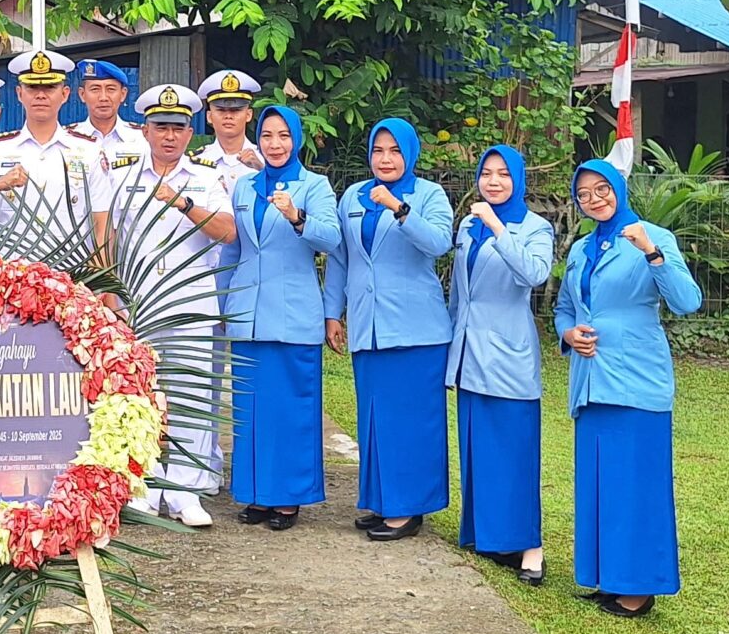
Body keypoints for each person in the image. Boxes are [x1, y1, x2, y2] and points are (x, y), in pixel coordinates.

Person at [555, 158, 701, 618]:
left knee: (636, 485)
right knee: (601, 484)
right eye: (584, 193)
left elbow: (686, 301)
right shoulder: (581, 248)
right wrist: (567, 334)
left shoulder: (653, 236)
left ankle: (638, 589)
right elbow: (564, 306)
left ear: (619, 188)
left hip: (636, 382)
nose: (594, 199)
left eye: (602, 189)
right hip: (591, 383)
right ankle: (609, 577)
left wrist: (652, 252)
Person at [105, 83, 238, 527]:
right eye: (161, 126)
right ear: (145, 130)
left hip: (190, 304)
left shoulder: (204, 178)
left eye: (178, 128)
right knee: (140, 397)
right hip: (138, 305)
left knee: (192, 394)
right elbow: (105, 238)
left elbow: (227, 231)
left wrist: (182, 203)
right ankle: (144, 485)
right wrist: (109, 292)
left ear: (190, 132)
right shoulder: (122, 174)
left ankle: (185, 491)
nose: (169, 136)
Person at [327, 118, 457, 543]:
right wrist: (333, 313)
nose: (385, 159)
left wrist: (400, 210)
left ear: (410, 154)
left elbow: (439, 243)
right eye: (378, 150)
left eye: (395, 151)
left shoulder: (428, 195)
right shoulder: (353, 196)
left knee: (413, 421)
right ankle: (383, 500)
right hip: (369, 327)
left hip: (416, 330)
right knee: (376, 419)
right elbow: (342, 259)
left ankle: (408, 509)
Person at [223, 105, 340, 530]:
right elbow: (234, 248)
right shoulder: (245, 186)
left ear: (297, 140)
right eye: (268, 136)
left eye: (284, 136)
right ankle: (256, 492)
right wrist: (224, 302)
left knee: (291, 408)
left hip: (292, 315)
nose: (275, 144)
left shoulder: (315, 185)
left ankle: (288, 497)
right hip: (248, 313)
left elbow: (331, 238)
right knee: (250, 409)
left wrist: (296, 216)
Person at [447, 145, 556, 585]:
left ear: (518, 180)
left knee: (515, 449)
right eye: (486, 174)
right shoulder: (467, 225)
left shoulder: (534, 227)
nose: (493, 182)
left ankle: (530, 546)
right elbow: (460, 290)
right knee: (479, 448)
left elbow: (534, 274)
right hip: (469, 351)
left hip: (508, 352)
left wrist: (498, 227)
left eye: (503, 175)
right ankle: (490, 536)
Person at [0, 49, 108, 253]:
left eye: (50, 87)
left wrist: (100, 282)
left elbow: (102, 227)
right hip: (13, 278)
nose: (41, 95)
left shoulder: (89, 150)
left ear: (65, 94)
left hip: (71, 275)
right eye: (32, 87)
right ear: (19, 94)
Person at [67, 59, 149, 169]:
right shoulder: (66, 138)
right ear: (82, 94)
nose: (103, 98)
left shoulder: (143, 139)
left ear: (123, 94)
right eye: (95, 89)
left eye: (111, 89)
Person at [191, 69, 267, 184]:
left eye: (236, 110)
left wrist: (262, 169)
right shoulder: (195, 162)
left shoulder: (264, 159)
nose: (228, 116)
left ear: (248, 115)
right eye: (221, 110)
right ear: (209, 116)